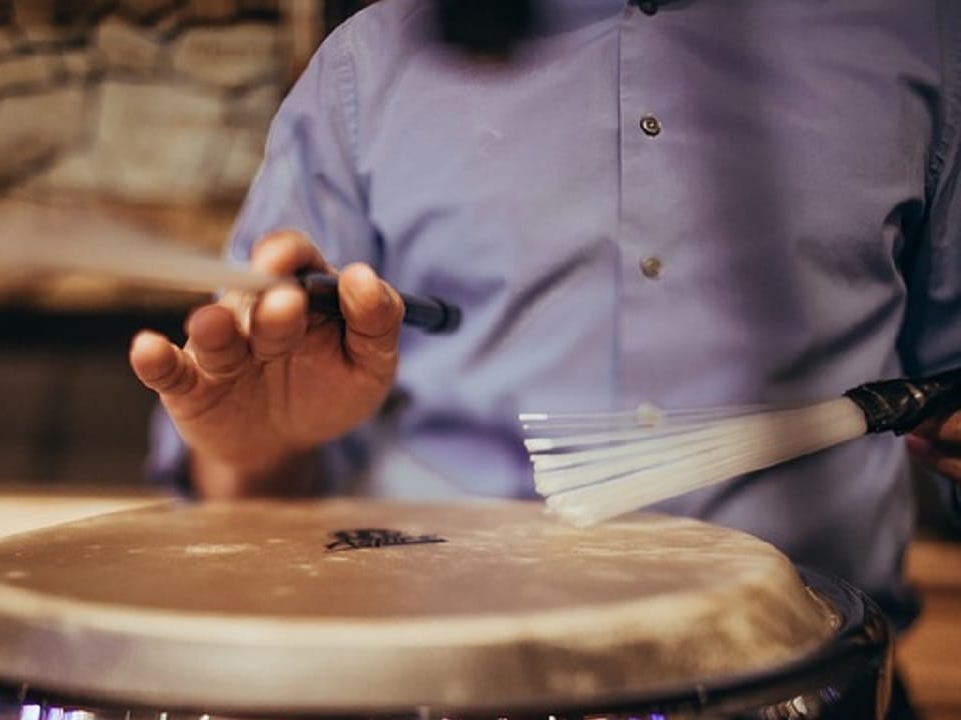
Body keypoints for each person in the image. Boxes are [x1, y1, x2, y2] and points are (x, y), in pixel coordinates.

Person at [130, 1, 961, 713]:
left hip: (821, 684)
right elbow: (245, 505)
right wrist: (260, 448)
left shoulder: (923, 40)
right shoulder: (369, 65)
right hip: (426, 688)